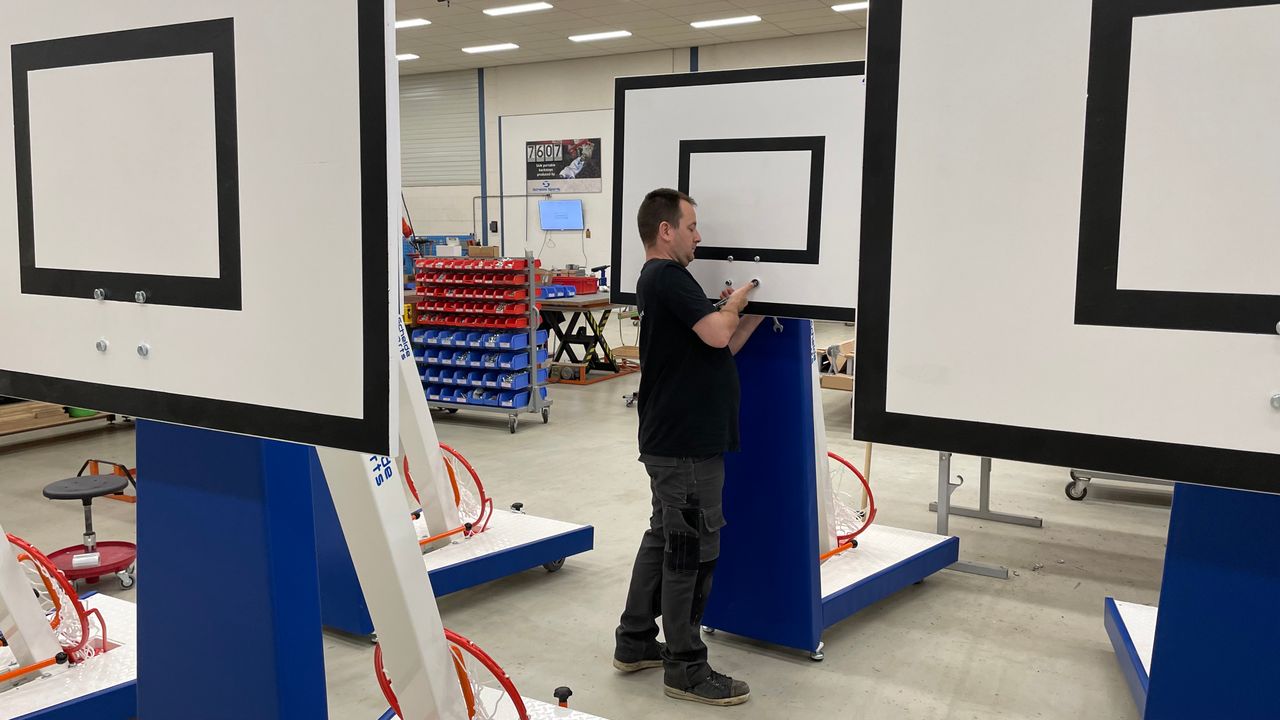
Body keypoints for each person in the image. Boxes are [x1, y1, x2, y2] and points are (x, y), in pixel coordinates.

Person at [613, 188, 763, 706]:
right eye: (692, 226)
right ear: (666, 230)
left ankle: (635, 641)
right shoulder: (666, 277)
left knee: (665, 537)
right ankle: (685, 666)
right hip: (683, 447)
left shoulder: (670, 284)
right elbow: (720, 333)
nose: (699, 236)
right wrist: (736, 302)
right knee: (690, 550)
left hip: (675, 440)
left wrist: (752, 313)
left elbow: (722, 344)